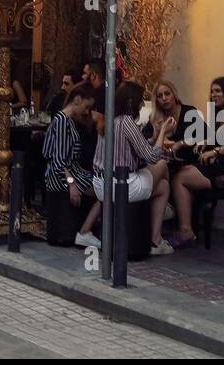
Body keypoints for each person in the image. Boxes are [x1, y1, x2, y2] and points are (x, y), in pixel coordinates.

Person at [74, 81, 173, 255]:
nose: (143, 104)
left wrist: (154, 137)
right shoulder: (127, 121)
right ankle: (158, 232)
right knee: (163, 164)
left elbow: (133, 146)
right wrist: (163, 132)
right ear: (130, 102)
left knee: (163, 186)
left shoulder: (108, 118)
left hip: (100, 184)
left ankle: (157, 234)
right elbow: (151, 156)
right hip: (122, 186)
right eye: (141, 100)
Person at [168, 76, 224, 247]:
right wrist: (205, 143)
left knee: (180, 178)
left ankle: (186, 231)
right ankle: (186, 227)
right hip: (219, 164)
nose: (213, 95)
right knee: (181, 173)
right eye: (212, 91)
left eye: (218, 91)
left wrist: (215, 151)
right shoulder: (221, 115)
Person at [41, 84, 98, 245]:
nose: (87, 111)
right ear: (77, 100)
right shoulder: (62, 121)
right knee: (103, 190)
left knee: (102, 187)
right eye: (86, 107)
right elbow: (60, 160)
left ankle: (88, 228)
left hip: (68, 173)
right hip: (62, 176)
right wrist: (72, 185)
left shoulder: (66, 120)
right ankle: (85, 231)